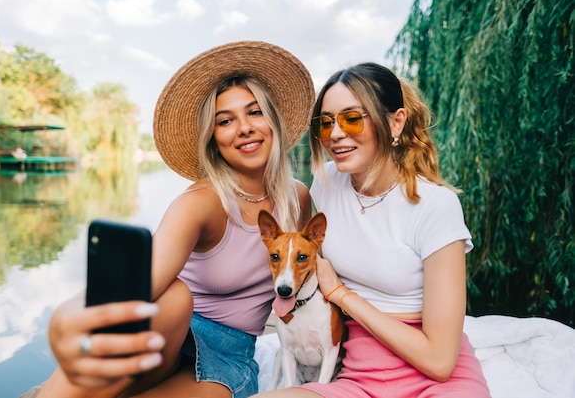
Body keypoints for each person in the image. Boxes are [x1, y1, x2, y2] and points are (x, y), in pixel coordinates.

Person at [25, 40, 314, 398]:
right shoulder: (201, 202)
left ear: (274, 120)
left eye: (255, 113)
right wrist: (66, 317)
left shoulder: (298, 199)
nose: (243, 128)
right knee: (175, 296)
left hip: (228, 356)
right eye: (225, 121)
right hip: (168, 332)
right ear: (214, 139)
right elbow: (135, 285)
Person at [252, 63, 491, 397]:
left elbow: (439, 361)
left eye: (351, 118)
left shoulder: (437, 206)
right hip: (354, 375)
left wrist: (341, 296)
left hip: (434, 379)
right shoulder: (326, 184)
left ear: (395, 121)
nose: (335, 134)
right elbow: (287, 243)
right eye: (325, 122)